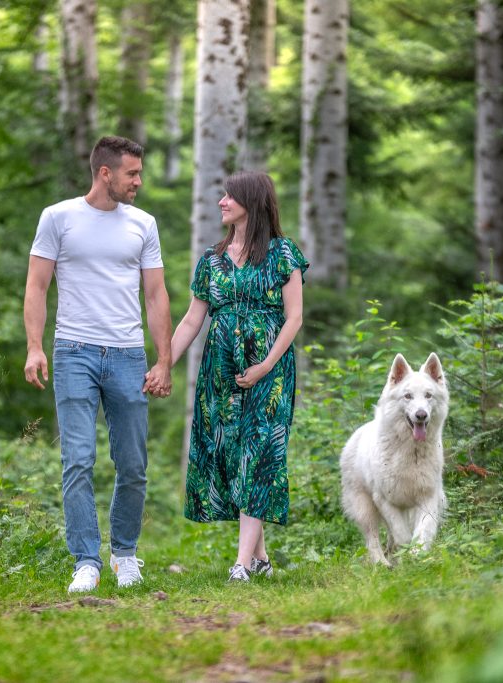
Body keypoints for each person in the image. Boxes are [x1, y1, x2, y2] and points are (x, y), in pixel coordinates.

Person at [23, 136, 172, 594]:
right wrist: (34, 346)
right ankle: (86, 560)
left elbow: (156, 294)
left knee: (133, 464)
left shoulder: (143, 224)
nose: (138, 181)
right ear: (105, 173)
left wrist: (164, 359)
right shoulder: (58, 217)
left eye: (139, 173)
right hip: (74, 353)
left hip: (128, 356)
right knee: (78, 460)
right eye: (131, 173)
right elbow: (36, 286)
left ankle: (124, 553)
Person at [170, 171, 307, 582]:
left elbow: (295, 317)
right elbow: (192, 320)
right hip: (221, 370)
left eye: (230, 196)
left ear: (251, 201)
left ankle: (241, 565)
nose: (222, 202)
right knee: (232, 456)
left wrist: (266, 365)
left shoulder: (283, 254)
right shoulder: (211, 260)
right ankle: (261, 559)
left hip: (271, 371)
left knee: (260, 454)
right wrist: (164, 364)